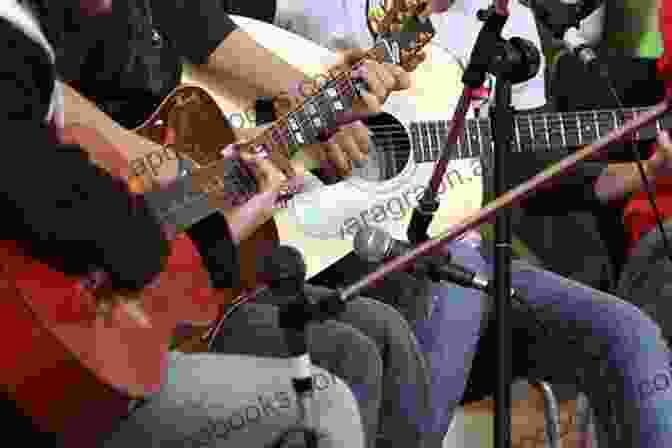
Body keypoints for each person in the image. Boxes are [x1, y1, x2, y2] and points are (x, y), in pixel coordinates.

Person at [228, 0, 672, 446]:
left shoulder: (513, 23)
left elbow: (525, 171)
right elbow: (207, 37)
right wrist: (305, 112)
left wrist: (639, 176)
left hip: (457, 265)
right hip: (330, 247)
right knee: (458, 265)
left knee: (627, 335)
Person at [30, 1, 436, 448]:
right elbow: (38, 92)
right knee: (350, 356)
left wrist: (317, 103)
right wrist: (171, 171)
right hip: (103, 281)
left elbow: (198, 25)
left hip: (187, 248)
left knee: (387, 331)